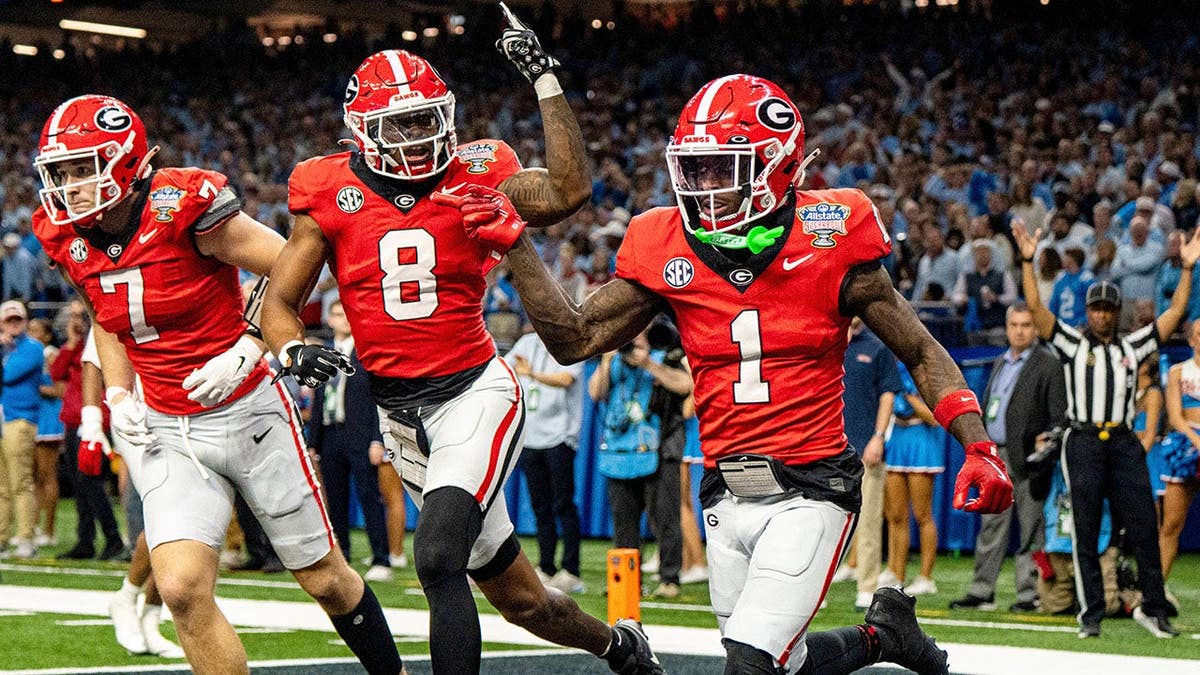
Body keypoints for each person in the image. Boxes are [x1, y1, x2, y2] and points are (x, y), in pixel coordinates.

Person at [490, 73, 1013, 675]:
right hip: (723, 485)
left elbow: (919, 350)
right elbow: (573, 339)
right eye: (697, 168)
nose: (704, 186)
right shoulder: (666, 244)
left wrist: (977, 443)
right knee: (780, 663)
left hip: (813, 486)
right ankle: (884, 638)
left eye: (723, 167)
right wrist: (516, 246)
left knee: (751, 662)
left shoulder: (831, 237)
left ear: (778, 168)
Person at [260, 11, 662, 674]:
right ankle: (620, 645)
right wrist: (292, 347)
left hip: (474, 392)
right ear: (362, 131)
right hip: (399, 415)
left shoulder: (478, 172)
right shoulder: (327, 188)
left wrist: (544, 80)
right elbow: (278, 299)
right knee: (520, 598)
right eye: (403, 124)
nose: (420, 136)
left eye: (428, 119)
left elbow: (569, 189)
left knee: (437, 555)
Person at [31, 94, 402, 675]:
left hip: (247, 409)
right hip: (166, 426)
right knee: (179, 588)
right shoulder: (62, 235)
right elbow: (107, 315)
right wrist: (120, 395)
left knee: (324, 579)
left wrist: (249, 347)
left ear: (129, 164)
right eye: (62, 171)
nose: (71, 185)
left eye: (85, 167)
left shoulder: (184, 206)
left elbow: (292, 268)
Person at [1012, 218, 1191, 638]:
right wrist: (1026, 261)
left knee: (1144, 525)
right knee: (1086, 527)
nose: (1102, 314)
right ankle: (1090, 613)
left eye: (1108, 308)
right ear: (1089, 311)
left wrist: (1186, 268)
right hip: (1084, 439)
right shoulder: (1073, 344)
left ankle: (1153, 607)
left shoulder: (1133, 345)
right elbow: (1038, 313)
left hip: (1124, 439)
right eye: (1096, 307)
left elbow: (1175, 313)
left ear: (1116, 312)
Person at [949, 304, 1066, 613]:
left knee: (1030, 527)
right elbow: (991, 406)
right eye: (1014, 324)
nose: (1019, 330)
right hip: (996, 455)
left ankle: (1029, 593)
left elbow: (1059, 415)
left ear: (1036, 329)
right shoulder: (1001, 361)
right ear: (1007, 326)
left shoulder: (1048, 364)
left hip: (1028, 456)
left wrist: (1047, 441)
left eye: (1026, 325)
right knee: (991, 525)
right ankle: (981, 590)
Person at [589, 328, 692, 599]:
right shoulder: (615, 362)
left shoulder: (666, 356)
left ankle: (670, 579)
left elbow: (685, 385)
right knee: (624, 523)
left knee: (665, 518)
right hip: (619, 450)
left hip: (659, 449)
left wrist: (647, 363)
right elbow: (595, 394)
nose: (633, 339)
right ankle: (627, 581)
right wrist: (607, 360)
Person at [304, 300, 392, 582]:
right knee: (336, 499)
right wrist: (312, 440)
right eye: (337, 314)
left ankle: (382, 557)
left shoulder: (366, 354)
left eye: (346, 313)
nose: (342, 319)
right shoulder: (326, 354)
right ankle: (342, 554)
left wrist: (378, 439)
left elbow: (381, 398)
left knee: (369, 496)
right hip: (330, 433)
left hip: (360, 434)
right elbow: (318, 400)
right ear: (329, 320)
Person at [504, 326, 586, 594]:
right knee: (540, 505)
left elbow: (566, 379)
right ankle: (547, 565)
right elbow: (504, 368)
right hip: (531, 435)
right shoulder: (527, 342)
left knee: (563, 503)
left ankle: (571, 569)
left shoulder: (568, 341)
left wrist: (532, 375)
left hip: (560, 437)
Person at [51, 300, 125, 561]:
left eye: (82, 317)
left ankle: (113, 538)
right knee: (81, 484)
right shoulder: (75, 349)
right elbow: (56, 372)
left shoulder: (103, 345)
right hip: (73, 420)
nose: (78, 323)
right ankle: (86, 540)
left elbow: (97, 379)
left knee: (92, 483)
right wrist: (71, 344)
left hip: (94, 421)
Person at [839, 316, 902, 611]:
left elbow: (887, 395)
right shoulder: (825, 340)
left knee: (869, 519)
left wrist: (878, 436)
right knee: (821, 520)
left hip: (866, 447)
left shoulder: (877, 348)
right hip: (826, 447)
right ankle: (816, 585)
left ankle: (867, 584)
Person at [881, 363, 943, 596]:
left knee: (922, 514)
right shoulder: (891, 368)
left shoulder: (926, 371)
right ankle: (896, 573)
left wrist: (908, 393)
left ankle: (926, 577)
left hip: (920, 440)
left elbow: (934, 418)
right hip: (897, 437)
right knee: (895, 515)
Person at [1158, 320, 1200, 601]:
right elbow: (1175, 417)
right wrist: (1197, 441)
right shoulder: (1178, 372)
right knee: (1171, 524)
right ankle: (1155, 590)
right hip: (1186, 449)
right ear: (1191, 339)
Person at [1, 299, 42, 558]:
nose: (14, 324)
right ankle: (2, 537)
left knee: (21, 482)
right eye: (9, 320)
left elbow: (7, 375)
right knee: (1, 486)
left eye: (18, 319)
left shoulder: (33, 348)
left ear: (25, 321)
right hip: (3, 419)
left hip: (20, 419)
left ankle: (26, 537)